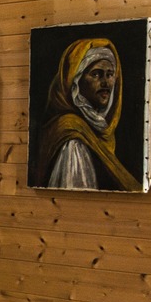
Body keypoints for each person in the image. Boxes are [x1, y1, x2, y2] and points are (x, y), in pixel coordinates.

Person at [35, 38, 140, 191]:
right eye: (96, 74)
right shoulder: (73, 138)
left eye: (110, 75)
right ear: (76, 82)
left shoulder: (96, 128)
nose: (105, 83)